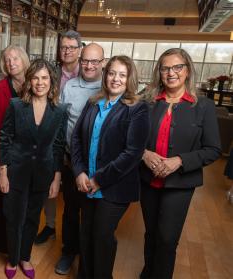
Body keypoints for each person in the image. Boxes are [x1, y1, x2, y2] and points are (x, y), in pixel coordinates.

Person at [139, 48, 221, 278]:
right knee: (151, 233)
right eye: (165, 68)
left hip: (180, 184)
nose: (171, 73)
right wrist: (144, 154)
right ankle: (148, 273)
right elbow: (131, 140)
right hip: (148, 181)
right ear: (159, 72)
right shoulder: (147, 101)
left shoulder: (203, 106)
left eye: (177, 67)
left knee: (166, 239)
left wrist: (180, 160)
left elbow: (213, 150)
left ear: (187, 71)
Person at [71, 55, 150, 278]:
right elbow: (76, 138)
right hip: (86, 183)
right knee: (85, 235)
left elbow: (132, 154)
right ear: (105, 75)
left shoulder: (137, 109)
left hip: (113, 188)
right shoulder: (93, 102)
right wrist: (79, 171)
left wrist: (99, 179)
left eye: (122, 75)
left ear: (130, 79)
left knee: (102, 237)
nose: (116, 79)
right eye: (112, 73)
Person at [0, 59, 67, 279]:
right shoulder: (16, 105)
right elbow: (5, 138)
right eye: (35, 78)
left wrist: (56, 179)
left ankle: (25, 257)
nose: (40, 83)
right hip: (16, 171)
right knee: (14, 216)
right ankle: (12, 258)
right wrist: (3, 172)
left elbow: (58, 146)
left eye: (45, 78)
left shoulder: (60, 111)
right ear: (29, 81)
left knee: (31, 217)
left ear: (52, 82)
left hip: (43, 173)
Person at [54, 43, 105, 275]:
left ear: (103, 62)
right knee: (71, 211)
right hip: (72, 162)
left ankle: (88, 257)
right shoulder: (70, 86)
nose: (89, 65)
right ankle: (68, 251)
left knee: (93, 217)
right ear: (80, 59)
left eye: (95, 61)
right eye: (85, 60)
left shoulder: (109, 86)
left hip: (100, 167)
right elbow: (61, 123)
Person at [35, 29, 82, 245]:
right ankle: (50, 225)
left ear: (79, 50)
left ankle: (74, 238)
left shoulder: (88, 73)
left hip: (77, 143)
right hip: (52, 139)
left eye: (72, 47)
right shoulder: (51, 73)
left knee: (74, 193)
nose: (67, 51)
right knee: (48, 185)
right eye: (64, 47)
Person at [0, 45, 30, 256]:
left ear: (24, 60)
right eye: (7, 59)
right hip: (4, 153)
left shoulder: (35, 85)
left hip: (27, 155)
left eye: (15, 58)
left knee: (21, 202)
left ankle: (17, 245)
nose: (11, 62)